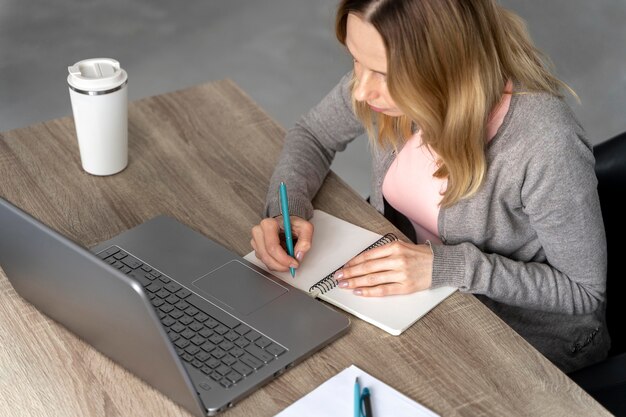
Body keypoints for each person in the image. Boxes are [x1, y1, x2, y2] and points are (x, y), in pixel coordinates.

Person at [250, 0, 609, 372]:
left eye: (383, 73)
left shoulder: (547, 143)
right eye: (356, 60)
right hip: (418, 309)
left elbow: (582, 292)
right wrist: (287, 208)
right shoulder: (378, 78)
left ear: (444, 65)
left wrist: (447, 267)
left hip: (521, 352)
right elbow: (313, 134)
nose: (361, 92)